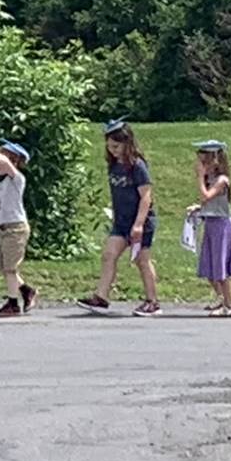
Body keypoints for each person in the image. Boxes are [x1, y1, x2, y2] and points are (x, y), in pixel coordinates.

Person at [76, 119, 162, 317]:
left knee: (142, 260)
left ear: (127, 143)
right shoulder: (114, 165)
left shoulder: (137, 166)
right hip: (121, 222)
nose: (112, 150)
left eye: (116, 146)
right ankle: (101, 296)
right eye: (109, 146)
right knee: (109, 255)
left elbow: (146, 196)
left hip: (140, 222)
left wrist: (139, 224)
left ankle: (152, 301)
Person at [0, 140, 37, 318]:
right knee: (2, 267)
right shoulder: (2, 184)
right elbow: (0, 208)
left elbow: (6, 164)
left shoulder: (17, 179)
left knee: (10, 268)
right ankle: (27, 291)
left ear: (14, 163)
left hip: (16, 229)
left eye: (0, 161)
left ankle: (13, 304)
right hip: (4, 228)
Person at [187, 139, 231, 318]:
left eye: (205, 162)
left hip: (222, 226)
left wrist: (199, 177)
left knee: (220, 267)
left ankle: (229, 305)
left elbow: (206, 195)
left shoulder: (222, 180)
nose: (202, 167)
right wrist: (198, 209)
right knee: (208, 266)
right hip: (210, 223)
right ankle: (221, 297)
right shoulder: (210, 179)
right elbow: (208, 202)